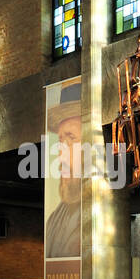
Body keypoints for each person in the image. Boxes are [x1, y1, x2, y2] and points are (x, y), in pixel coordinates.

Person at [45, 81, 82, 259]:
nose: (62, 155)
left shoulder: (101, 214)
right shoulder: (53, 220)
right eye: (60, 141)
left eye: (71, 138)